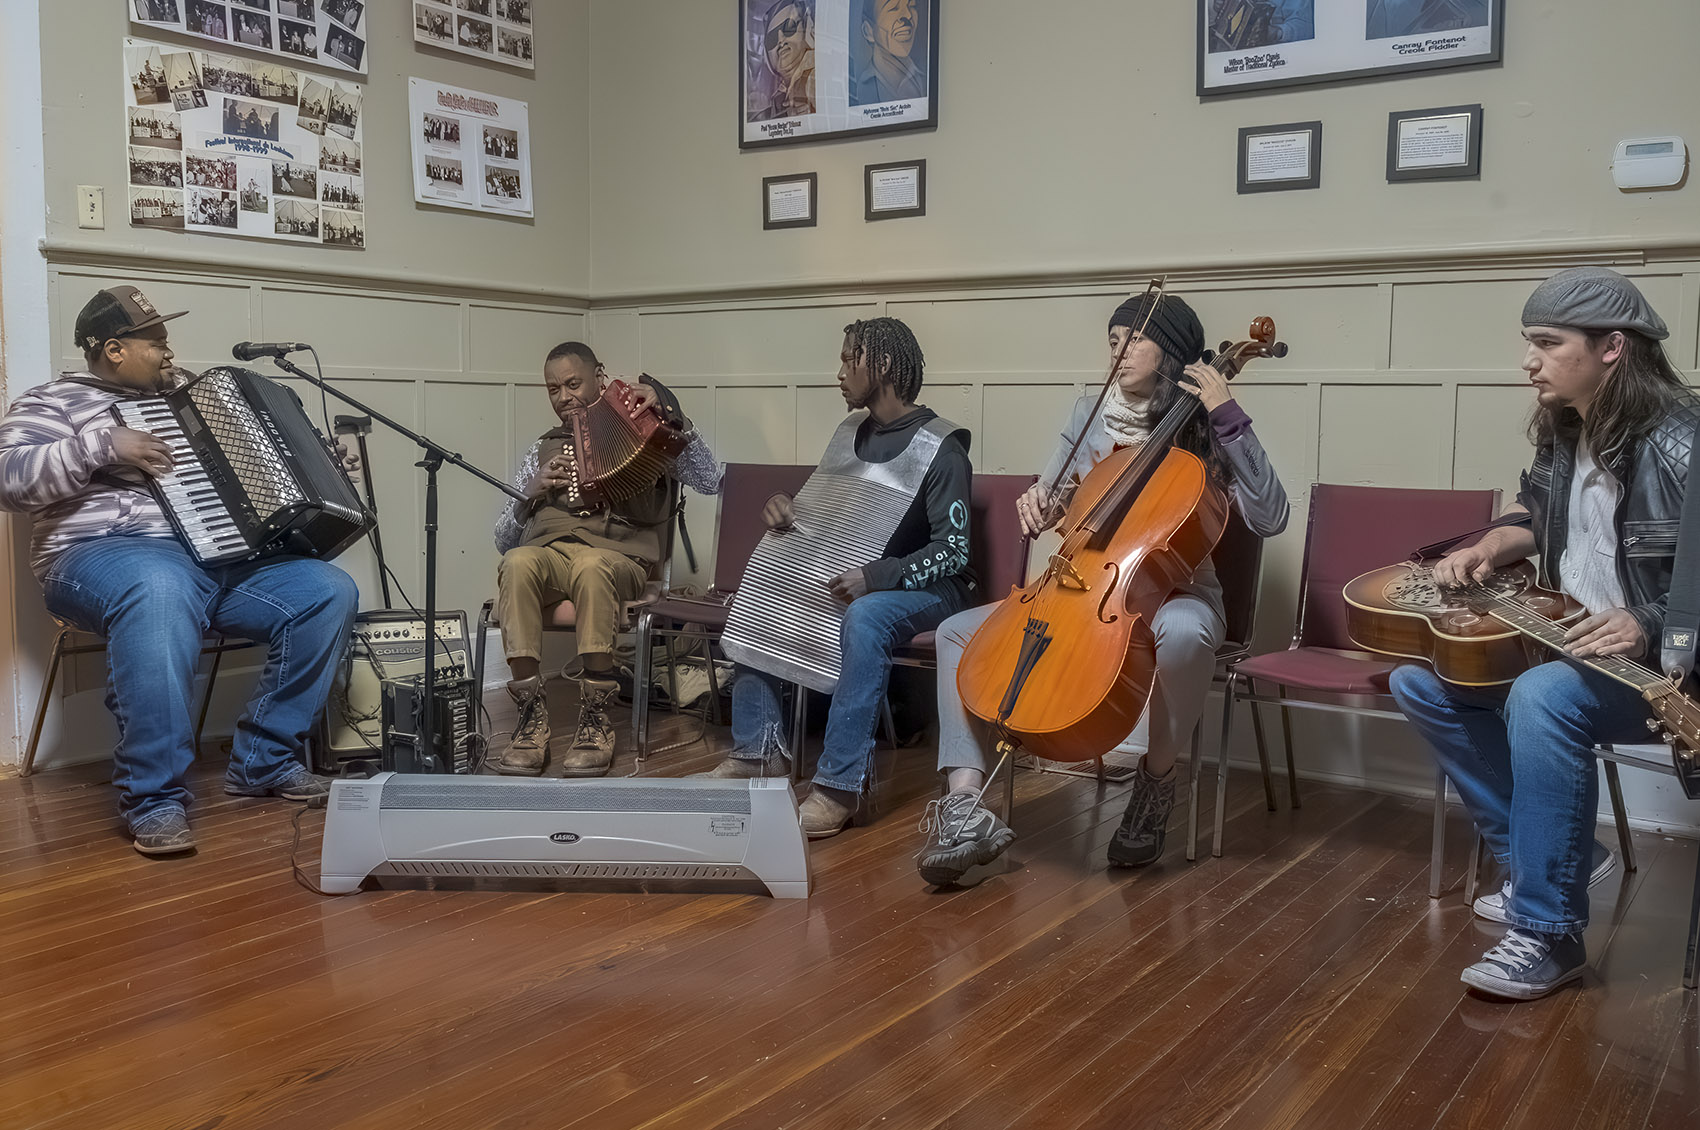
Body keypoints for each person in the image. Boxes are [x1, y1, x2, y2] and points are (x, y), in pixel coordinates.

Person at [1388, 268, 1697, 1001]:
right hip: (1570, 639)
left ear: (1612, 347)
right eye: (1530, 343)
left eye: (1547, 343)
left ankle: (1547, 931)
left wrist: (1646, 621)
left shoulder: (1684, 445)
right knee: (1423, 681)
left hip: (1662, 671)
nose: (1529, 360)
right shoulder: (1567, 431)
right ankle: (1555, 859)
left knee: (1542, 697)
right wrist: (1489, 546)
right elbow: (1533, 511)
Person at [916, 292, 1291, 886]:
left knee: (1185, 632)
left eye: (1133, 340)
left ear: (1169, 352)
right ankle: (964, 801)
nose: (1117, 352)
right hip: (1083, 586)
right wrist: (1039, 505)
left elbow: (1271, 517)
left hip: (1179, 588)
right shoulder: (1087, 414)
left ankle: (1157, 781)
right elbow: (1058, 499)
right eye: (1112, 341)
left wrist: (1227, 415)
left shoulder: (1206, 424)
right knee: (957, 632)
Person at [0, 287, 361, 856]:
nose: (170, 354)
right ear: (114, 349)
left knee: (325, 590)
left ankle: (264, 762)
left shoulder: (198, 395)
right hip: (100, 554)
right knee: (158, 587)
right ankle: (155, 798)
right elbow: (8, 478)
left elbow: (261, 465)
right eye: (157, 343)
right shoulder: (52, 400)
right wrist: (99, 445)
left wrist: (310, 460)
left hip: (218, 558)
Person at [703, 317, 974, 839]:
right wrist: (784, 508)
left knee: (867, 616)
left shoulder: (942, 448)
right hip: (861, 575)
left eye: (849, 358)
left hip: (935, 591)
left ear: (884, 365)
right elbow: (829, 518)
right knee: (764, 574)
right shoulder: (849, 432)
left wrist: (878, 576)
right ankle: (758, 751)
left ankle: (839, 788)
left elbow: (955, 551)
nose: (839, 372)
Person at [492, 343, 720, 778]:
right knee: (519, 561)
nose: (563, 397)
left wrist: (674, 416)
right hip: (552, 554)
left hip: (619, 559)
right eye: (553, 389)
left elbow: (710, 479)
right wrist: (530, 494)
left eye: (573, 384)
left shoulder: (646, 426)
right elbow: (503, 540)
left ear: (600, 376)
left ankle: (596, 721)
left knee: (592, 566)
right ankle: (529, 719)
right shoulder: (544, 448)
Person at [849, 0, 926, 106]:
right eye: (893, 8)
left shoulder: (924, 80)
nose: (908, 15)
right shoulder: (861, 88)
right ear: (868, 31)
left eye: (911, 6)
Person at [750, 0, 815, 121]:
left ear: (807, 27)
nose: (780, 40)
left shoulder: (817, 77)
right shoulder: (777, 98)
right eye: (772, 38)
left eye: (789, 28)